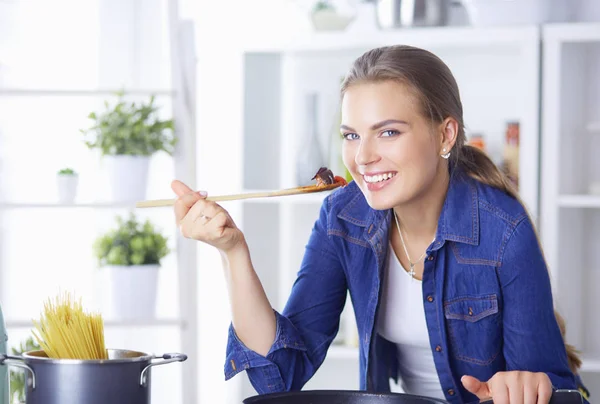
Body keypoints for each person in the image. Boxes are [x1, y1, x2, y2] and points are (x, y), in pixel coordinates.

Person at [171, 45, 589, 403]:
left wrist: (526, 388)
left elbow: (553, 389)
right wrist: (232, 251)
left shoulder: (504, 230)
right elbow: (281, 372)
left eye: (388, 133)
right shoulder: (343, 216)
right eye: (351, 135)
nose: (363, 157)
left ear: (445, 135)